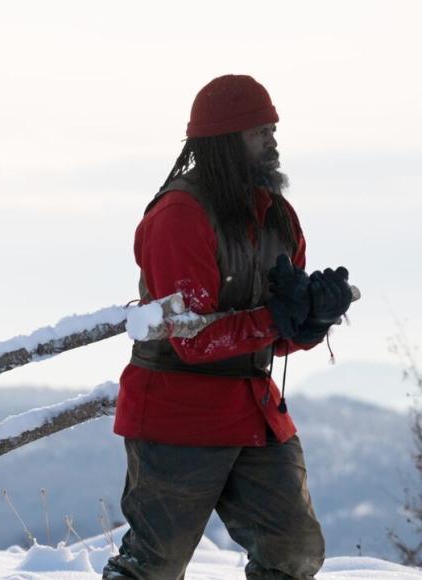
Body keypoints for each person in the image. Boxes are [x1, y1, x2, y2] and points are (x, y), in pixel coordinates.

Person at [102, 75, 354, 580]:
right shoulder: (180, 215)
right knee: (152, 567)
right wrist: (277, 317)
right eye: (259, 131)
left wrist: (312, 320)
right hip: (178, 417)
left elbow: (277, 335)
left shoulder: (278, 217)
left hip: (253, 411)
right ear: (223, 141)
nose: (273, 141)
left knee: (294, 552)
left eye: (272, 129)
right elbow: (192, 338)